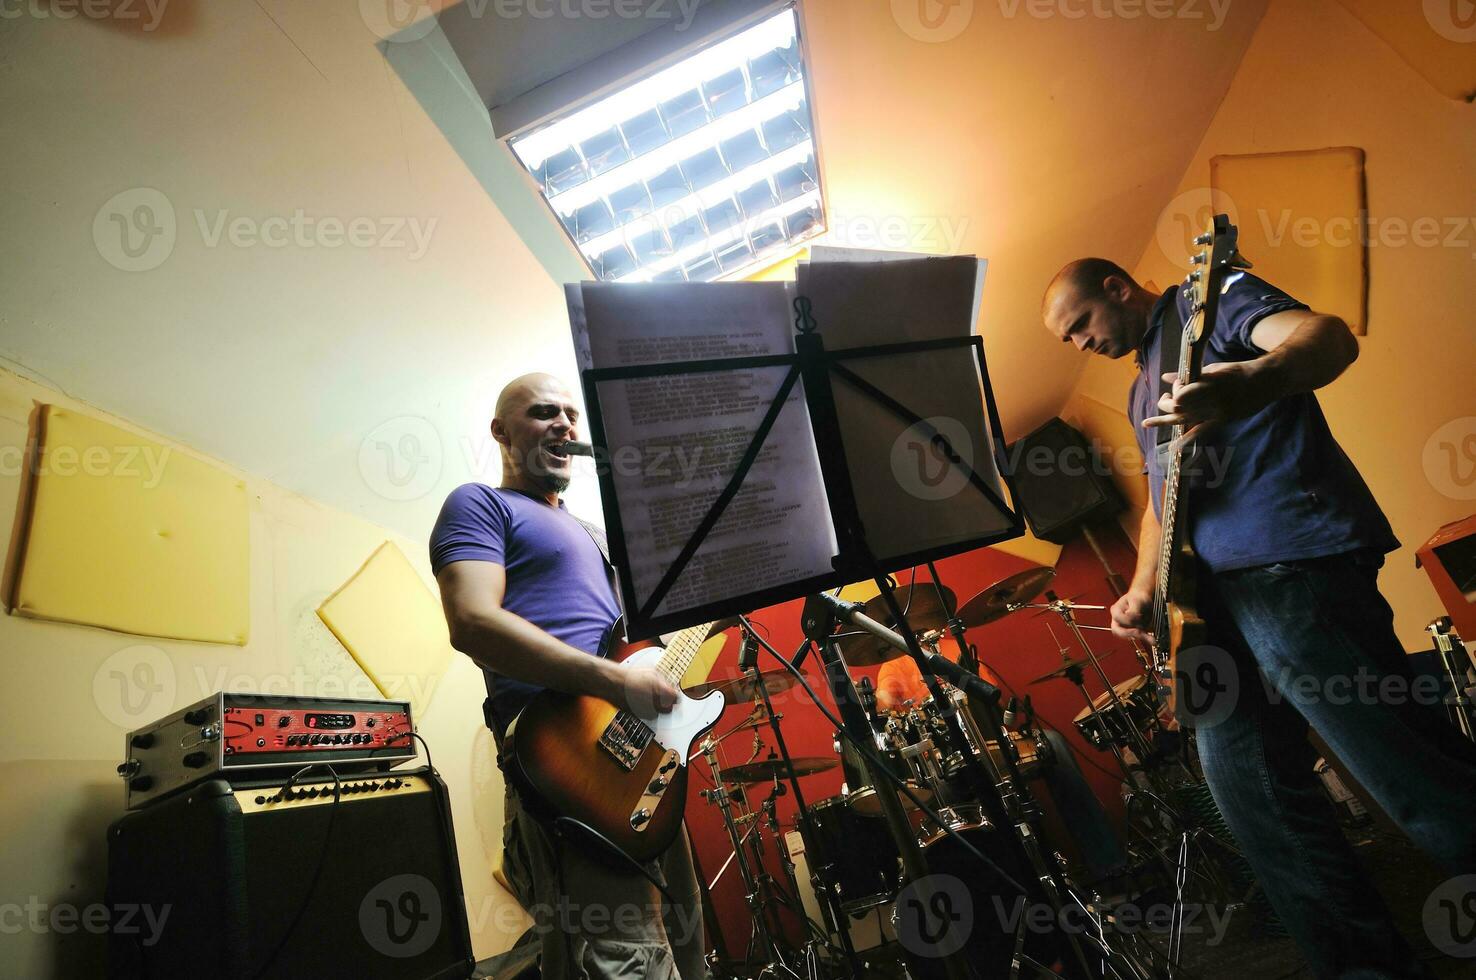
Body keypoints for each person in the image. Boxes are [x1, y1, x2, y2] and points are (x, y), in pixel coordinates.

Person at [1041, 257, 1476, 978]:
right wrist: (1142, 590)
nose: (1079, 345)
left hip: (1290, 568)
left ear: (1117, 288)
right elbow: (1160, 504)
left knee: (1404, 767)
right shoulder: (1139, 388)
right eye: (1067, 340)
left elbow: (1326, 337)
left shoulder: (1210, 298)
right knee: (1255, 804)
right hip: (1213, 613)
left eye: (1080, 325)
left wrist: (1245, 382)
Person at [430, 373, 706, 979]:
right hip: (569, 769)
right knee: (620, 958)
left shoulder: (595, 535)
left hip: (641, 762)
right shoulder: (481, 504)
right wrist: (613, 683)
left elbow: (633, 655)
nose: (565, 425)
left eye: (572, 416)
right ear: (501, 432)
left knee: (686, 954)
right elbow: (473, 621)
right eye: (543, 412)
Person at [873, 645, 1127, 884]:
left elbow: (999, 704)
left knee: (1053, 744)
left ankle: (1108, 863)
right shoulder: (894, 664)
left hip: (994, 741)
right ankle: (1005, 886)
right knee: (942, 789)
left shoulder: (957, 649)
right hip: (945, 760)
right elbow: (883, 709)